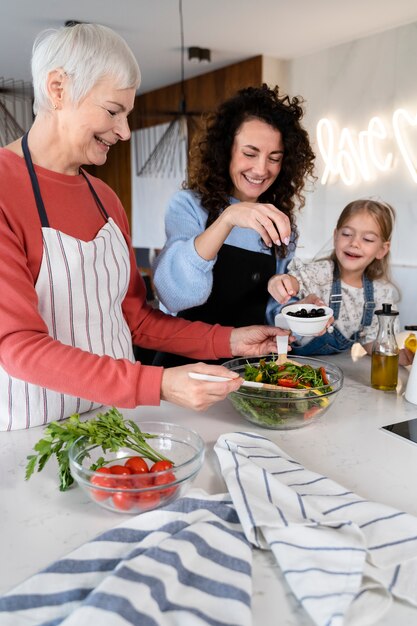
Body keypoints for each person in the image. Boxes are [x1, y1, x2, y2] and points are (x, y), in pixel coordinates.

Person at [0, 23, 290, 431]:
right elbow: (18, 347)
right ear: (58, 89)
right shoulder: (3, 190)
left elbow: (135, 320)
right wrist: (159, 383)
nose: (124, 131)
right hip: (33, 430)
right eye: (113, 111)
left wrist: (229, 341)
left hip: (115, 419)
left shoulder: (105, 198)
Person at [152, 84, 315, 366]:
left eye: (274, 158)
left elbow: (270, 315)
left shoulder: (279, 224)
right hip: (184, 367)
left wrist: (294, 309)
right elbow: (175, 295)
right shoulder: (188, 206)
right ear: (226, 150)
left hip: (247, 370)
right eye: (250, 154)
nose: (262, 169)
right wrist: (229, 218)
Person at [268, 198, 410, 363]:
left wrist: (402, 356)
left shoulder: (380, 294)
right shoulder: (321, 273)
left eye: (368, 239)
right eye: (347, 234)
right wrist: (279, 281)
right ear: (335, 236)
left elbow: (372, 344)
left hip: (335, 371)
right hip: (290, 362)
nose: (354, 243)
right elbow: (292, 281)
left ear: (382, 249)